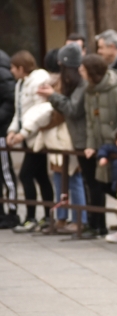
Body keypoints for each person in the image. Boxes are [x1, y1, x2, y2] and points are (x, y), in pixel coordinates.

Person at [81, 54, 117, 236]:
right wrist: (90, 144)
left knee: (113, 184)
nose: (80, 71)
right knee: (99, 184)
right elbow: (90, 121)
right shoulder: (89, 90)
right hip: (99, 146)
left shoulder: (116, 89)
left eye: (83, 69)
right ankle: (101, 225)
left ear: (92, 71)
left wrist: (116, 137)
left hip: (115, 146)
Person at [37, 43, 89, 233]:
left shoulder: (81, 83)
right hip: (59, 138)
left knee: (74, 179)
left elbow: (72, 110)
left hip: (72, 137)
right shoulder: (63, 82)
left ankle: (80, 220)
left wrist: (52, 96)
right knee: (59, 177)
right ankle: (62, 218)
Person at [6, 50, 53, 233]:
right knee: (40, 176)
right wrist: (13, 130)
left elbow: (40, 111)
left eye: (13, 67)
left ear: (21, 67)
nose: (10, 71)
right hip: (27, 138)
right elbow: (20, 112)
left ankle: (31, 217)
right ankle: (48, 216)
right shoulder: (20, 84)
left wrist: (24, 133)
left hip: (37, 138)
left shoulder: (39, 81)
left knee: (26, 175)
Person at [0, 48, 19, 229]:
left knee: (5, 172)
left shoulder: (2, 71)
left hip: (1, 131)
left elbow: (9, 99)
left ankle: (12, 212)